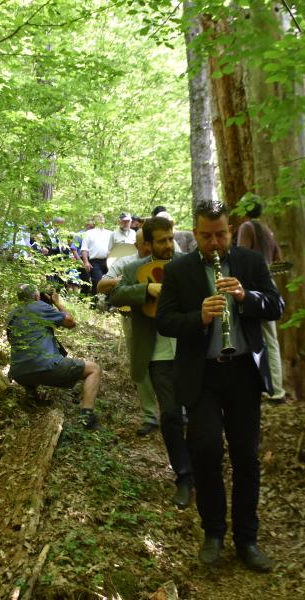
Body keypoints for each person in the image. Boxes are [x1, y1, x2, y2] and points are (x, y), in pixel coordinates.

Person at [156, 201, 283, 572]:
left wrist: (246, 298)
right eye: (207, 236)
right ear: (195, 234)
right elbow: (165, 321)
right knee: (207, 450)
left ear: (231, 230)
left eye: (222, 234)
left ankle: (247, 539)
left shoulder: (250, 262)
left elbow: (276, 305)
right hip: (203, 376)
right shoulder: (179, 269)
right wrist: (200, 316)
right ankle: (213, 532)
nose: (215, 243)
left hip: (243, 372)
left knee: (246, 457)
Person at [110, 217, 194, 508]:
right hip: (158, 354)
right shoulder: (135, 268)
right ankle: (184, 476)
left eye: (170, 239)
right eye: (161, 241)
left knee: (196, 414)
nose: (168, 245)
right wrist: (146, 291)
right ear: (148, 243)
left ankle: (200, 467)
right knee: (170, 416)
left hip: (190, 349)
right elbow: (114, 294)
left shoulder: (190, 263)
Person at [7, 284, 102, 429]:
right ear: (36, 296)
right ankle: (87, 416)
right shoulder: (38, 306)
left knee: (28, 360)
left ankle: (31, 395)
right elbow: (70, 322)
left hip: (18, 373)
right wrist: (57, 302)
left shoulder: (12, 314)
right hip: (46, 367)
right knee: (94, 369)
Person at [98, 229, 161, 435]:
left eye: (150, 243)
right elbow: (102, 285)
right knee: (140, 366)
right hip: (134, 320)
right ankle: (150, 416)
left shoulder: (167, 259)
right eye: (144, 243)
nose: (148, 247)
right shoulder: (126, 263)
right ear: (137, 245)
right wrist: (129, 283)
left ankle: (180, 410)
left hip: (165, 319)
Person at [236, 200, 288, 404]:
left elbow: (241, 256)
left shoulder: (246, 227)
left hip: (250, 289)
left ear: (245, 212)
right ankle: (277, 390)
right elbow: (278, 259)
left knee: (250, 337)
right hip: (269, 287)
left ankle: (259, 387)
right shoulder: (268, 230)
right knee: (271, 341)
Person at [79, 213, 112, 295]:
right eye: (98, 218)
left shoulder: (110, 233)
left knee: (109, 282)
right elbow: (84, 249)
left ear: (104, 220)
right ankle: (95, 302)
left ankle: (106, 303)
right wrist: (86, 262)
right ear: (94, 221)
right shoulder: (88, 233)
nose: (100, 220)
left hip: (109, 261)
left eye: (101, 218)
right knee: (98, 281)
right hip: (94, 262)